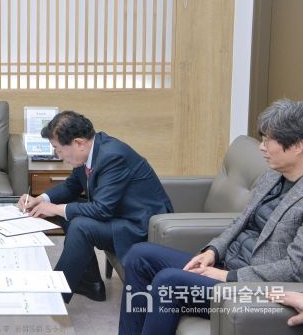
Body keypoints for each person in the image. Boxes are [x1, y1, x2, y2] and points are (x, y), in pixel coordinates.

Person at [119, 99, 303, 335]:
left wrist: (228, 276)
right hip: (226, 264)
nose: (261, 147)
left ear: (297, 145)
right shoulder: (272, 176)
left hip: (252, 286)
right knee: (140, 254)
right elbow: (239, 222)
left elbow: (294, 268)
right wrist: (212, 251)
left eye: (269, 140)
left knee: (169, 281)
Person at [19, 110, 173, 303]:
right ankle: (90, 283)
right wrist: (41, 199)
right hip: (119, 213)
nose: (57, 155)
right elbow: (71, 186)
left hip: (140, 225)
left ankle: (53, 297)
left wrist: (55, 209)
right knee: (66, 210)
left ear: (78, 143)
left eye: (58, 149)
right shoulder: (90, 152)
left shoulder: (113, 156)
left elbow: (102, 210)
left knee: (80, 225)